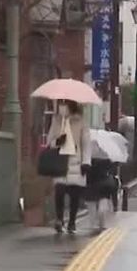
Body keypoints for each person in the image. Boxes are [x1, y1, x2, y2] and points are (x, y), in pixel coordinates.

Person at [46, 99, 91, 234]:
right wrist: (57, 141)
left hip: (76, 160)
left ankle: (72, 221)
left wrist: (86, 162)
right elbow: (49, 141)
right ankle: (59, 219)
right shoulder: (57, 121)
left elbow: (86, 143)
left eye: (65, 104)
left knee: (74, 194)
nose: (62, 107)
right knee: (59, 191)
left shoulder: (81, 121)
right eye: (61, 103)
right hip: (60, 160)